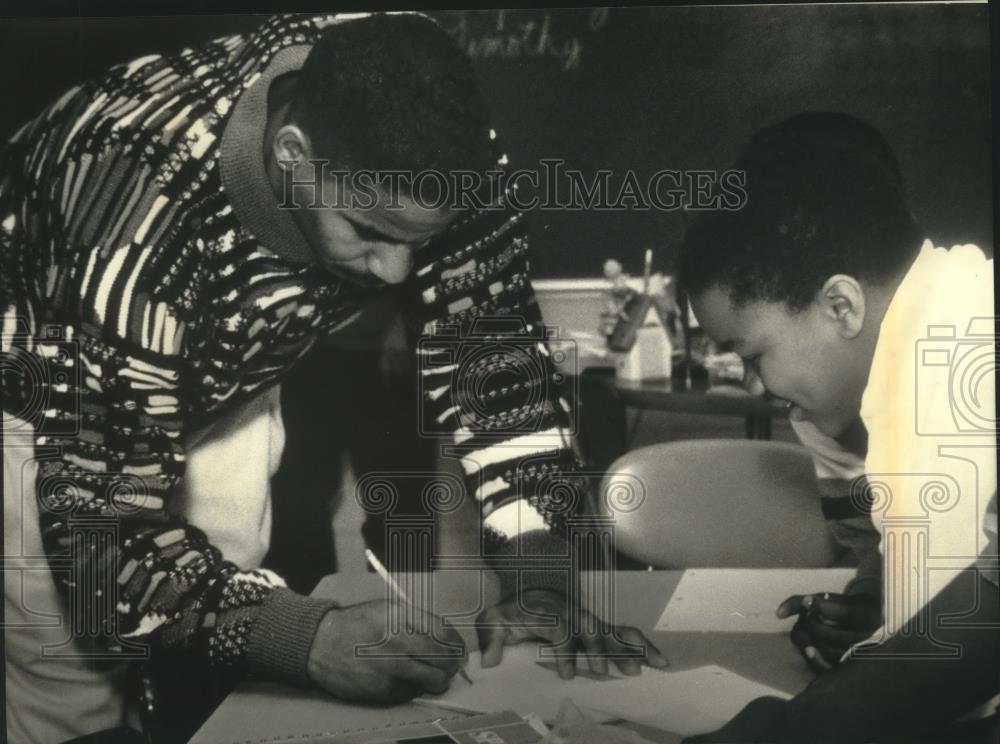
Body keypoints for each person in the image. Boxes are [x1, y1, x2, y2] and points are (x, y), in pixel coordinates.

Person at [0, 13, 665, 743]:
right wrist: (307, 639)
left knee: (217, 679)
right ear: (292, 154)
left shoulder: (438, 140)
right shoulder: (128, 195)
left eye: (422, 240)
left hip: (225, 380)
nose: (398, 274)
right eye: (369, 232)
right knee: (79, 666)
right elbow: (101, 535)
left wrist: (540, 578)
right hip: (45, 392)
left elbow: (497, 377)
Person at [677, 111, 997, 742]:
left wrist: (792, 729)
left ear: (841, 305)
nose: (752, 385)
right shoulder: (901, 358)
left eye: (751, 355)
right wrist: (885, 607)